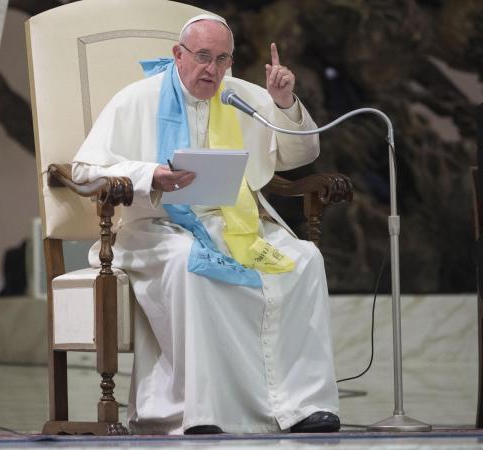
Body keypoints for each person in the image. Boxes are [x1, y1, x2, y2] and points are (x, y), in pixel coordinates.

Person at [72, 13, 340, 435]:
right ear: (178, 55)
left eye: (222, 59)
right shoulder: (137, 99)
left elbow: (299, 155)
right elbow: (85, 171)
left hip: (234, 225)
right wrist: (149, 174)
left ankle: (301, 405)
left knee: (305, 259)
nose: (211, 69)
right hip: (158, 227)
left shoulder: (240, 97)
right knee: (192, 266)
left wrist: (284, 103)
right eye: (201, 56)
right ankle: (205, 411)